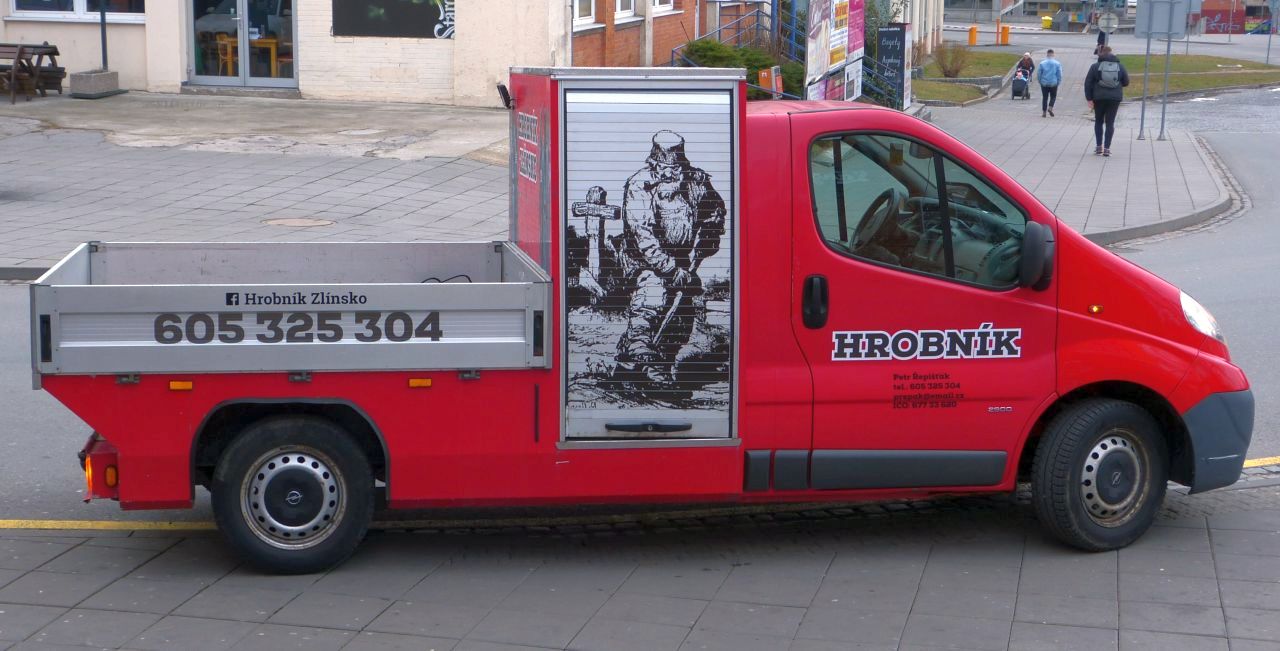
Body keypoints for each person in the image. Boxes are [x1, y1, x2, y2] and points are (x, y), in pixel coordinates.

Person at [614, 130, 726, 390]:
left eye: (676, 167)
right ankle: (639, 353)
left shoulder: (695, 180)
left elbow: (715, 209)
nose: (671, 173)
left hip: (683, 260)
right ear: (654, 163)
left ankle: (650, 367)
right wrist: (670, 270)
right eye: (666, 167)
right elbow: (643, 236)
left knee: (683, 314)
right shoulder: (639, 185)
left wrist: (710, 231)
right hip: (642, 261)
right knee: (652, 296)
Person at [1084, 45, 1130, 157]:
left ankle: (1099, 147)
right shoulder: (1120, 66)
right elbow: (1126, 82)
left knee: (1098, 121)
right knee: (1110, 123)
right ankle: (1107, 149)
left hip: (1099, 97)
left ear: (1101, 55)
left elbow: (1088, 83)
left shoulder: (1095, 66)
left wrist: (1089, 98)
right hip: (1114, 98)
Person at [1036, 49, 1063, 117]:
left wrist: (1039, 81)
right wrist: (1058, 81)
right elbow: (1059, 74)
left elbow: (1039, 73)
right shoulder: (1057, 63)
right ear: (1053, 54)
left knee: (1045, 97)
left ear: (1047, 55)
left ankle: (1044, 112)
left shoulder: (1042, 63)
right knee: (1053, 96)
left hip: (1044, 83)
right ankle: (1050, 108)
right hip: (1053, 83)